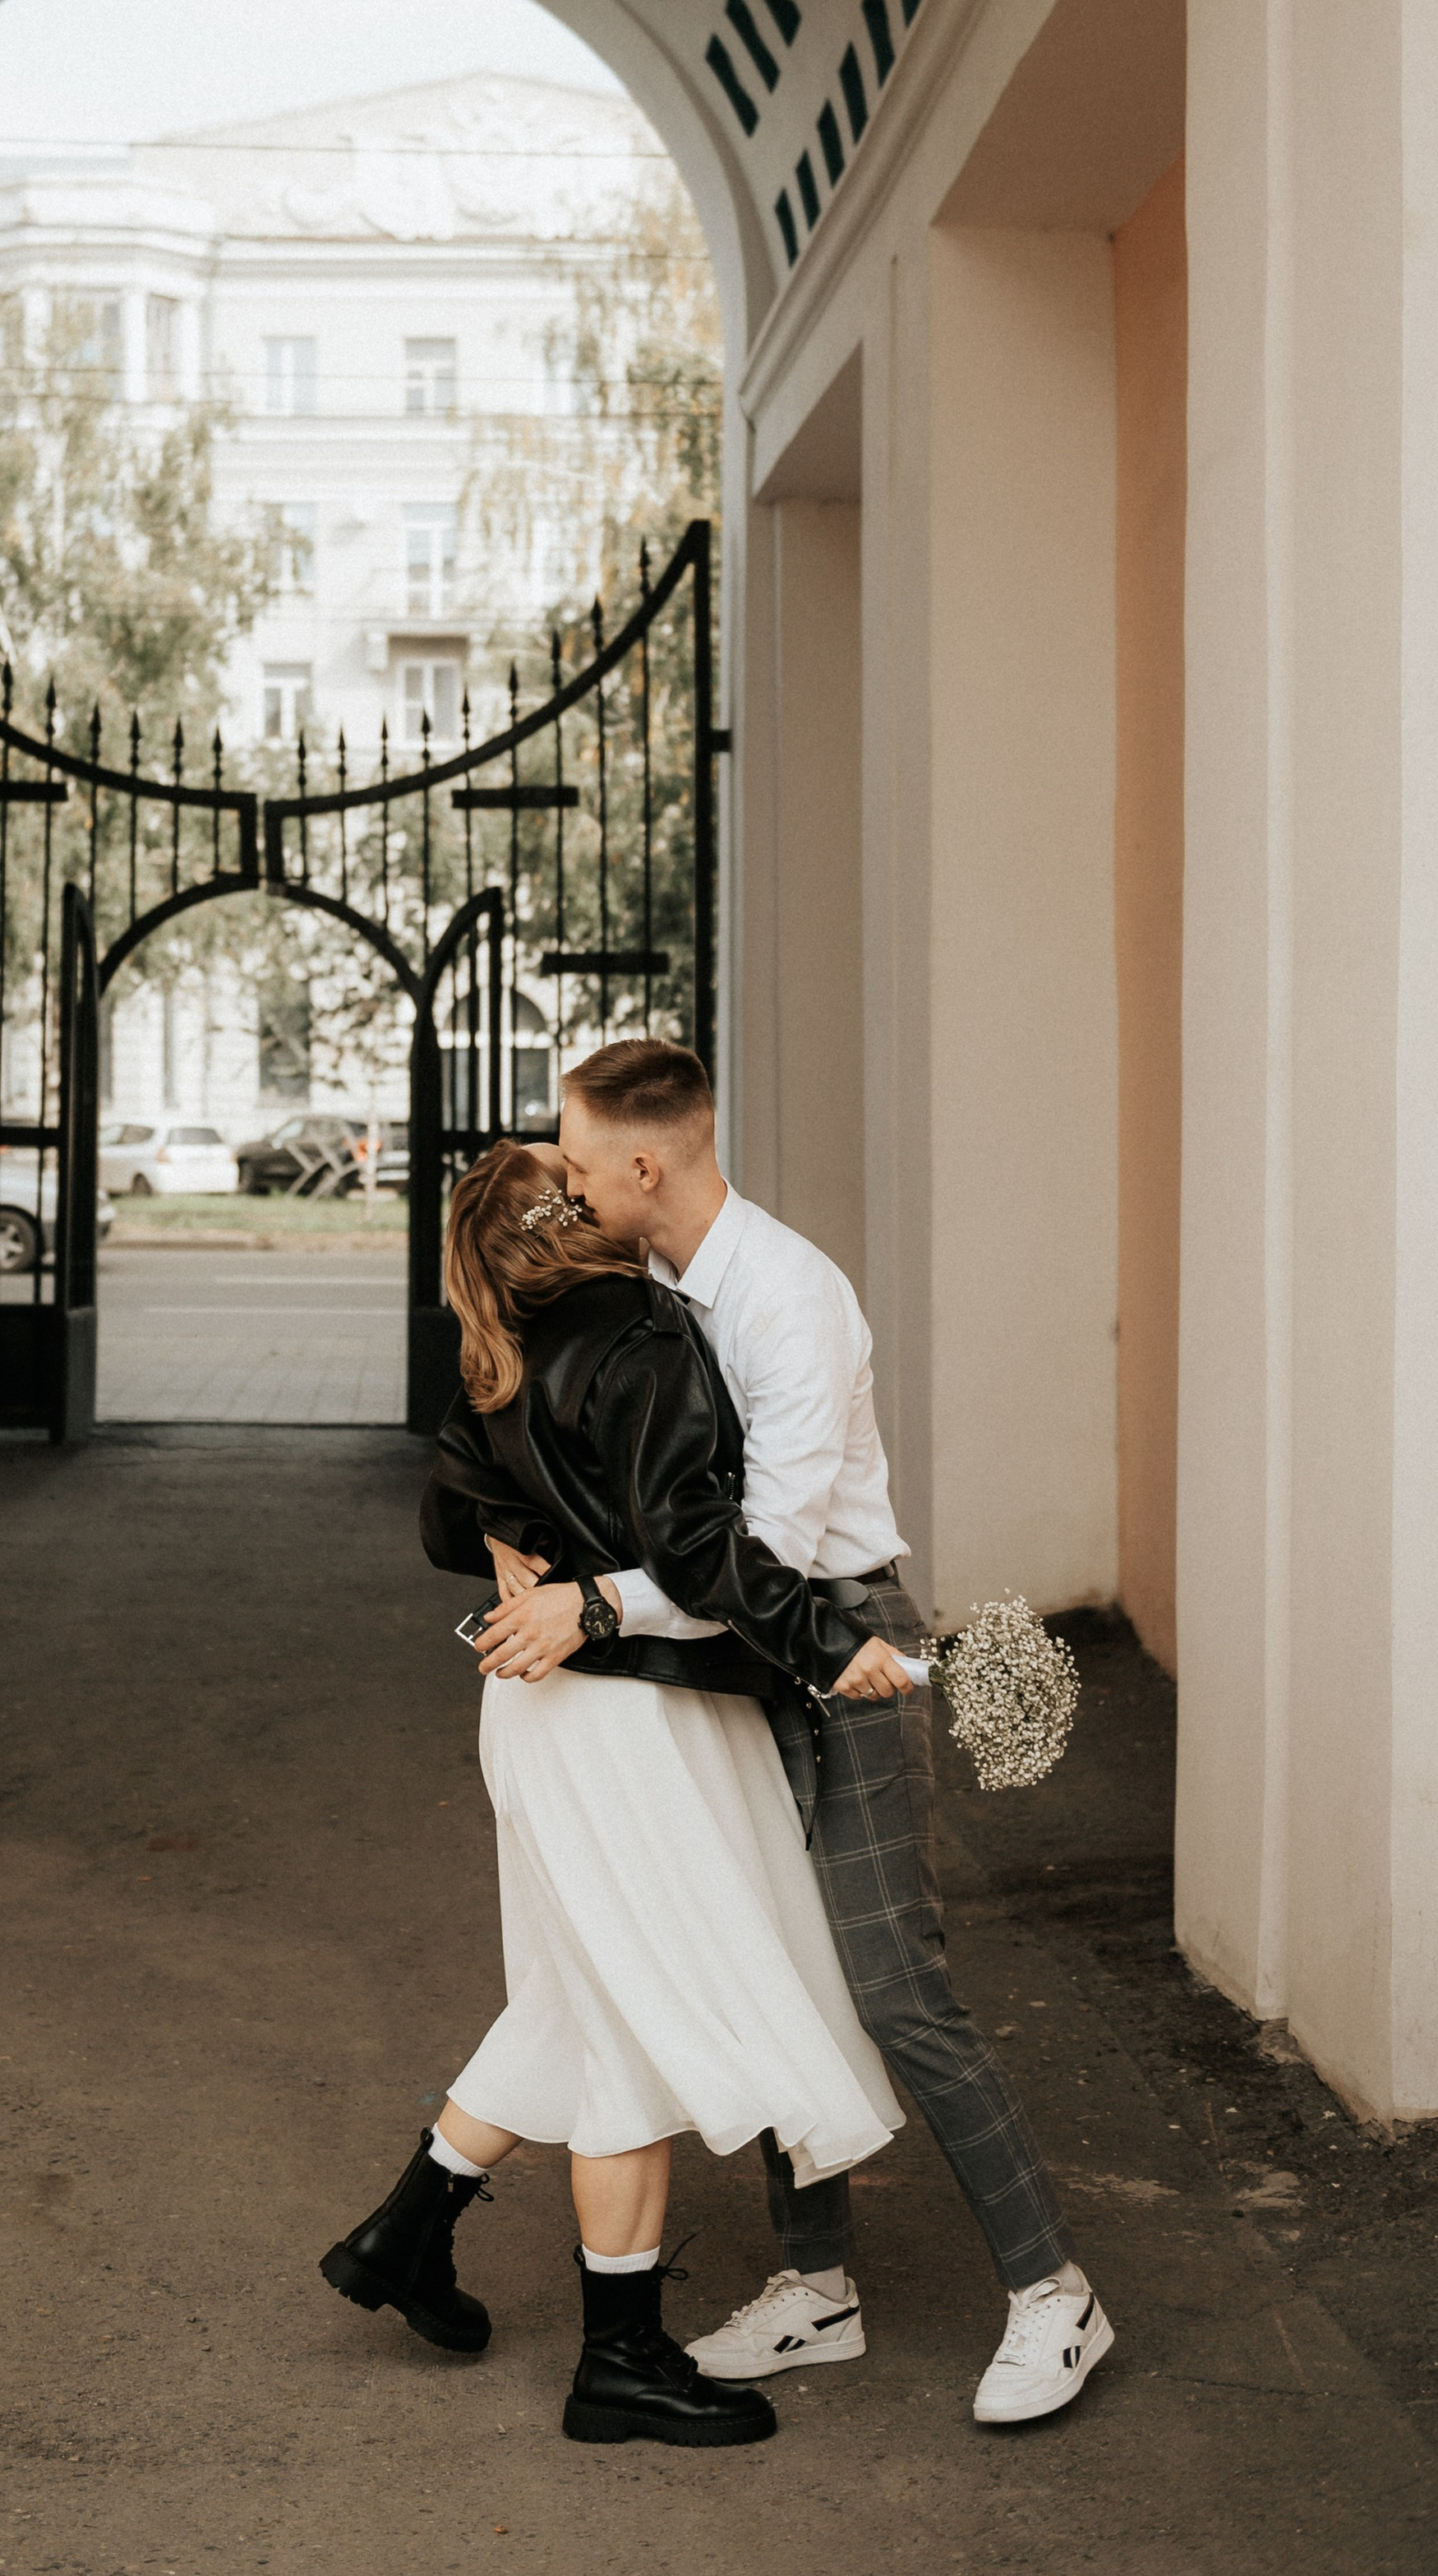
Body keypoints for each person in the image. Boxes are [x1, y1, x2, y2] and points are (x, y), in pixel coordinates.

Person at [504, 1037, 1112, 2428]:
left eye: (578, 1161)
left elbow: (766, 1554)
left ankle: (1055, 2292)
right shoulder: (644, 1288)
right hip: (729, 1651)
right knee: (773, 1966)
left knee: (895, 1986)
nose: (566, 1185)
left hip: (837, 1639)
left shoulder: (787, 1297)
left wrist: (593, 1606)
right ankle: (817, 2288)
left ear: (641, 1163)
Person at [319, 1141, 906, 2449]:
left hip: (535, 1712)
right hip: (637, 1719)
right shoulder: (641, 1335)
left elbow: (442, 1518)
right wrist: (828, 1643)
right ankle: (620, 2361)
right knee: (636, 2023)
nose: (594, 1172)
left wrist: (506, 1534)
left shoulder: (504, 1340)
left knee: (583, 1997)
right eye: (573, 1166)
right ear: (571, 1210)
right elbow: (700, 1552)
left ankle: (406, 2234)